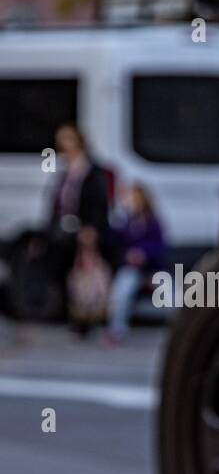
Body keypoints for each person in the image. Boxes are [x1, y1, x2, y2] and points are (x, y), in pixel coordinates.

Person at [25, 123, 112, 325]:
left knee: (84, 271)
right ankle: (68, 313)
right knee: (58, 269)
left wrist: (92, 228)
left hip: (84, 229)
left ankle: (86, 316)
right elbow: (56, 204)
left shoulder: (91, 170)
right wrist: (42, 234)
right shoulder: (64, 169)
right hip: (62, 230)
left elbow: (99, 202)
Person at [104, 185, 168, 344]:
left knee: (172, 295)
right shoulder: (124, 223)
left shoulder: (152, 222)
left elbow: (160, 247)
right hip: (131, 269)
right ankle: (116, 331)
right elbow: (114, 245)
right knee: (121, 292)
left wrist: (144, 254)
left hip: (153, 268)